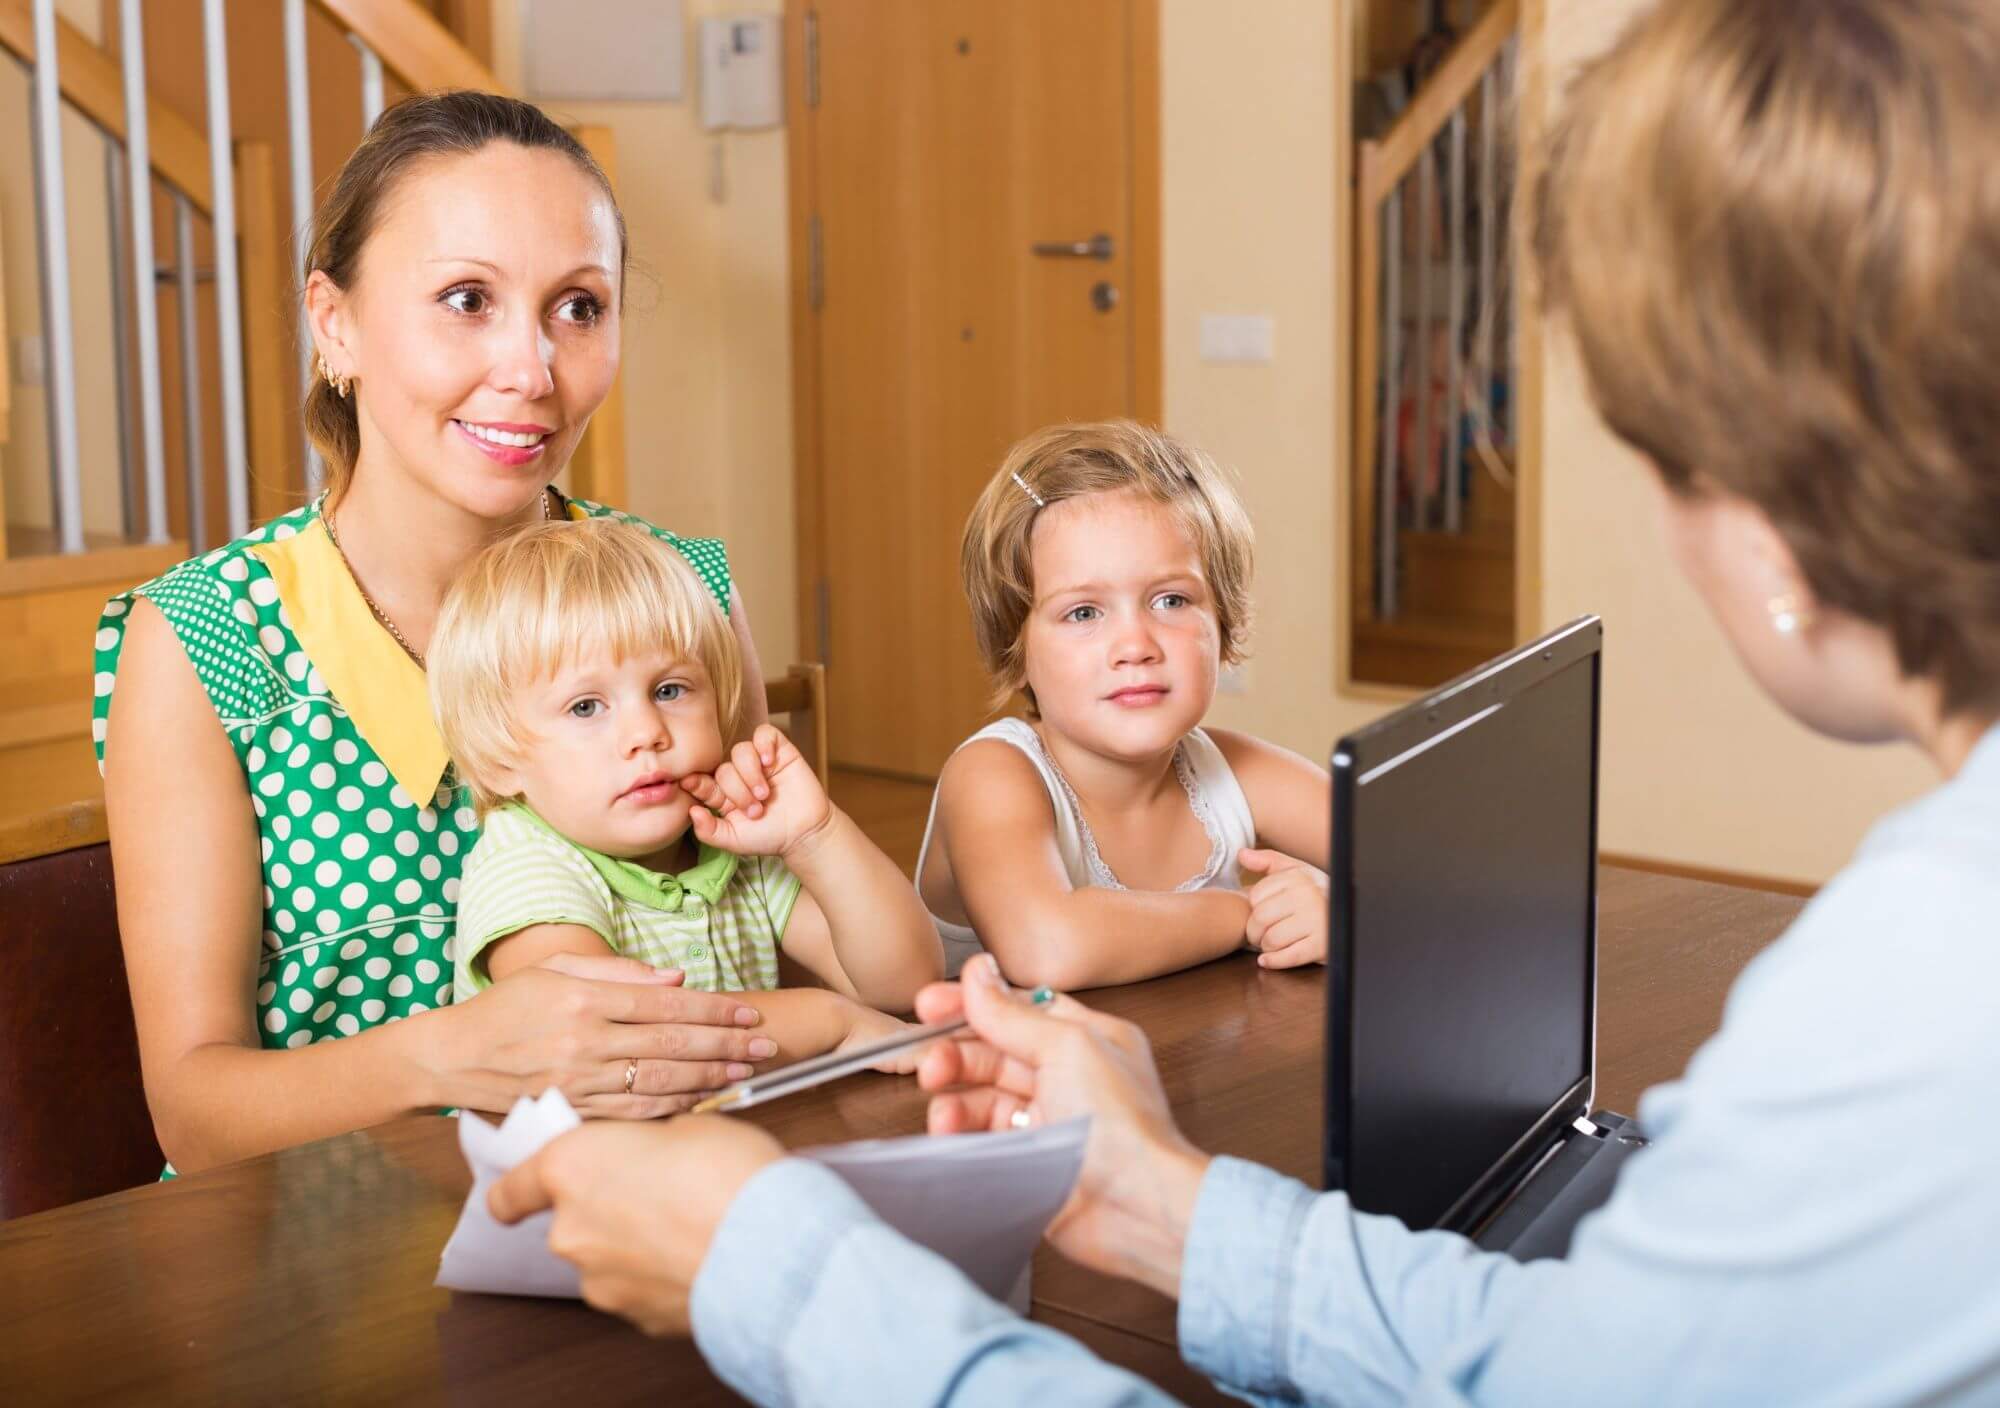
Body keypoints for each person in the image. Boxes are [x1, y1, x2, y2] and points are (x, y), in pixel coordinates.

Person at [488, 1, 2000, 1401]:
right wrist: (1160, 1199)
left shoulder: (1927, 973)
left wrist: (776, 1268)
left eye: (1661, 454)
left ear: (1769, 519)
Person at [95, 92, 784, 1176]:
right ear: (335, 322)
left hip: (663, 1216)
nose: (532, 368)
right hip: (322, 1280)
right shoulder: (200, 643)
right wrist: (451, 1055)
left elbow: (792, 927)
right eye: (467, 299)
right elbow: (193, 1109)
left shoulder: (682, 591)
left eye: (578, 307)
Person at [431, 518, 941, 1067]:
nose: (646, 731)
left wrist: (817, 836)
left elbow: (907, 982)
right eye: (586, 706)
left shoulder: (732, 842)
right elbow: (624, 1036)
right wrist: (833, 1022)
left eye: (669, 690)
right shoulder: (526, 866)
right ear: (502, 760)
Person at [916, 421, 1332, 986]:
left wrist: (1332, 908)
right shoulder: (992, 776)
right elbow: (1046, 950)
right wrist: (1250, 914)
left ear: (1223, 622)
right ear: (1016, 650)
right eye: (1083, 612)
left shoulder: (1233, 770)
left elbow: (1422, 862)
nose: (1136, 646)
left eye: (1170, 599)